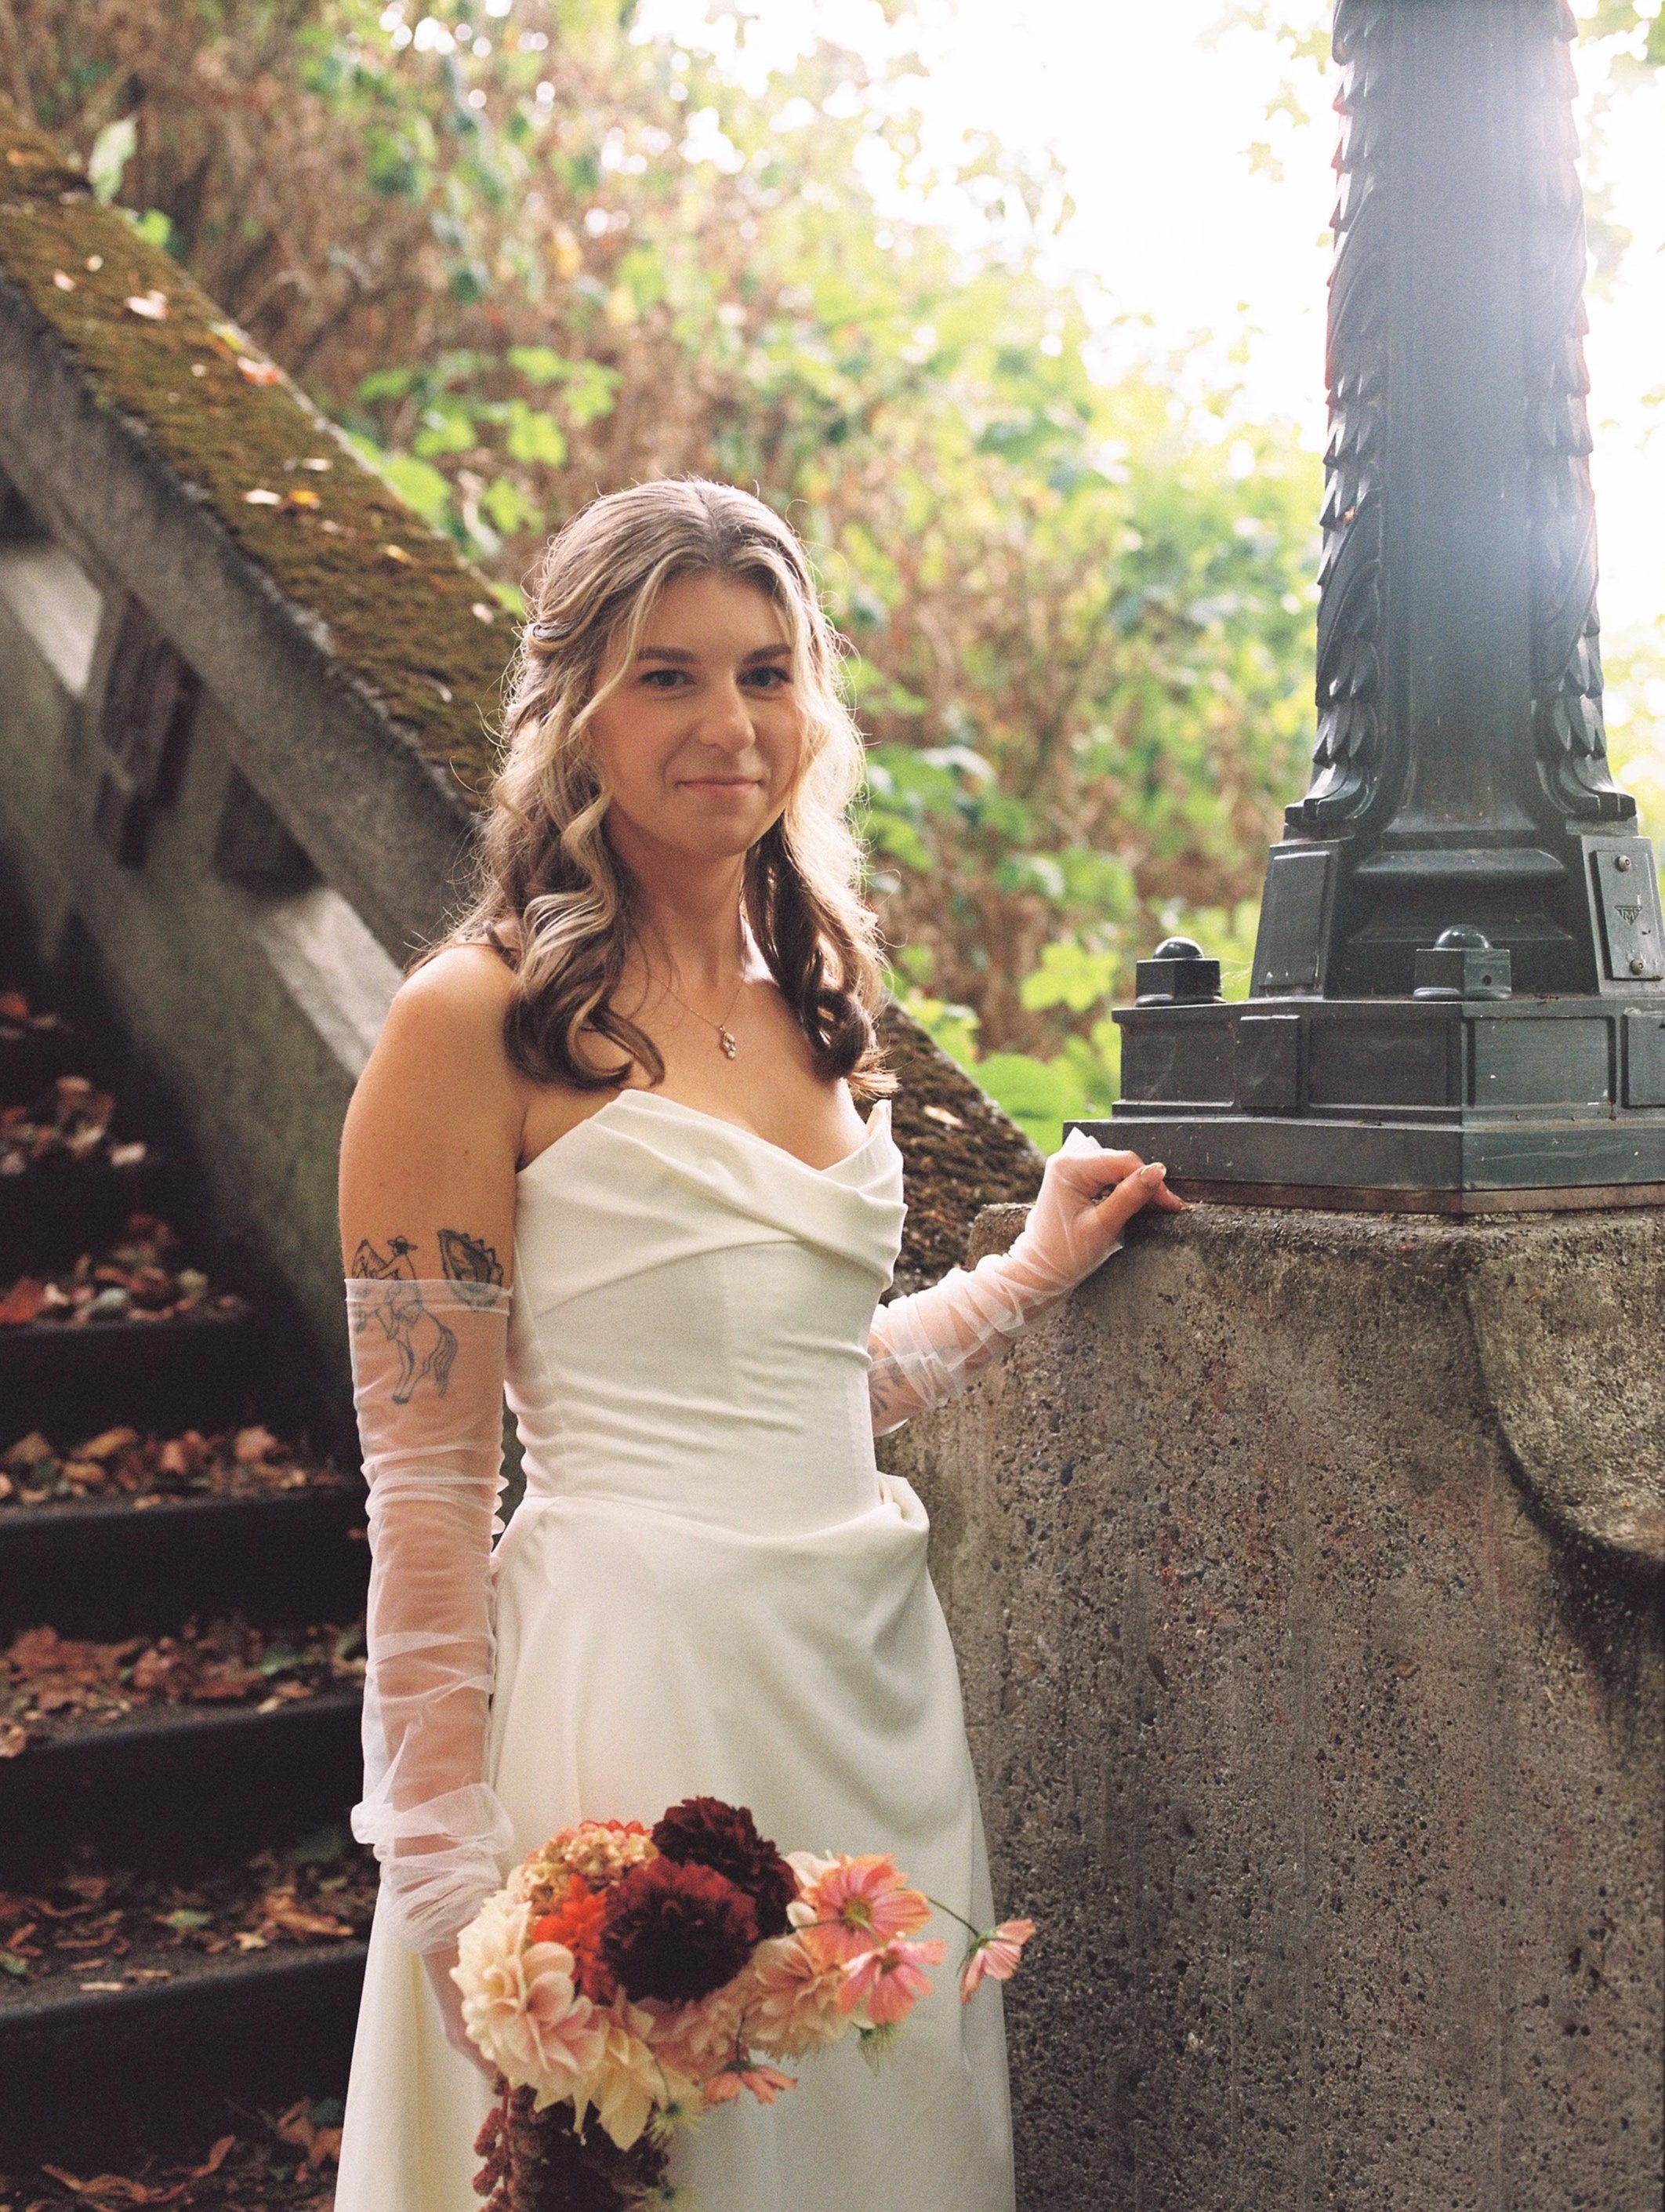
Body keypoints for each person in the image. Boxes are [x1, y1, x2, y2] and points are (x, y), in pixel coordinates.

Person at [332, 478, 1181, 2210]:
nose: (729, 724)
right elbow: (423, 1502)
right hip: (636, 1676)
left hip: (867, 1675)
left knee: (884, 2154)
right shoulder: (468, 1022)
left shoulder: (823, 999)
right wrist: (441, 1887)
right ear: (573, 712)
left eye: (767, 670)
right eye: (666, 676)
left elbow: (799, 1386)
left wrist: (1019, 1276)